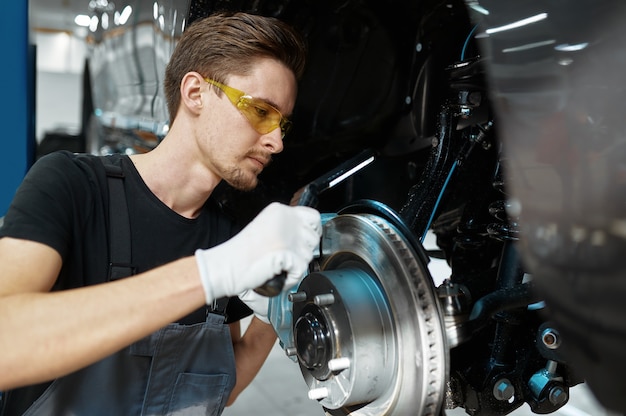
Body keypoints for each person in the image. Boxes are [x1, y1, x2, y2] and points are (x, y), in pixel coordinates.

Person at [0, 11, 321, 415]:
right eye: (261, 111)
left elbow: (212, 389)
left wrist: (276, 313)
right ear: (195, 93)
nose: (275, 141)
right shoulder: (72, 184)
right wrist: (211, 273)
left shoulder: (227, 233)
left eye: (283, 125)